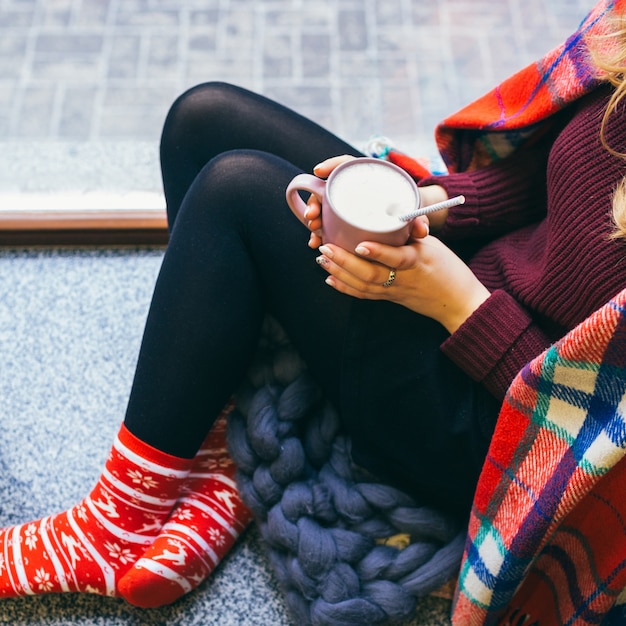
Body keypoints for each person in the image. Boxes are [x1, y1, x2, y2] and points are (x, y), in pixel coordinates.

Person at [0, 0, 625, 613]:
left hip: (498, 425)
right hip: (471, 287)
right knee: (202, 118)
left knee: (234, 190)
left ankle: (116, 526)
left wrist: (457, 302)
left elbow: (591, 428)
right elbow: (558, 174)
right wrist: (432, 203)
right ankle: (218, 459)